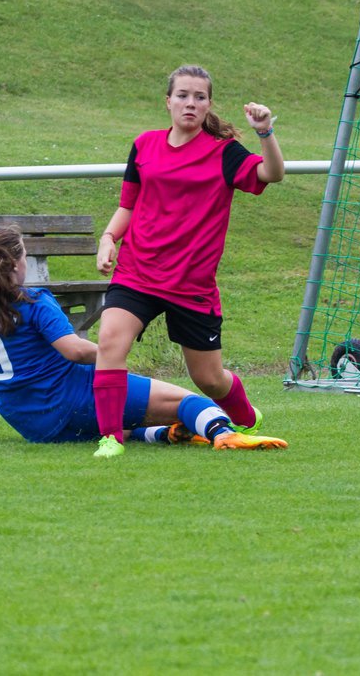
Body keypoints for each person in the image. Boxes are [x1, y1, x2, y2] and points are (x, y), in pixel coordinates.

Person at [0, 225, 289, 455]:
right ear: (16, 263)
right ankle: (224, 434)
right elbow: (73, 350)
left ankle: (166, 433)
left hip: (32, 425)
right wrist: (110, 355)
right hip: (72, 400)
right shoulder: (34, 301)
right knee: (191, 402)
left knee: (126, 425)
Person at [91, 64, 285, 453]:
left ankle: (247, 417)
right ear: (168, 102)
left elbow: (272, 173)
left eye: (199, 97)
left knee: (210, 380)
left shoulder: (224, 153)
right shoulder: (145, 145)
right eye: (182, 95)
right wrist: (109, 237)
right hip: (138, 273)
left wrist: (265, 132)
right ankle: (110, 439)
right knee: (110, 341)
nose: (190, 103)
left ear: (209, 104)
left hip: (191, 286)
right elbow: (128, 204)